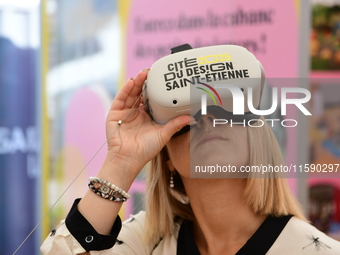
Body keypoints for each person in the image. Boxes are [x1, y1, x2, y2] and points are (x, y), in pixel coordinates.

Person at [41, 68, 340, 255]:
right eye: (184, 120)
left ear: (257, 137)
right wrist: (121, 161)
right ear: (168, 158)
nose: (207, 119)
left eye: (225, 109)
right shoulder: (145, 242)